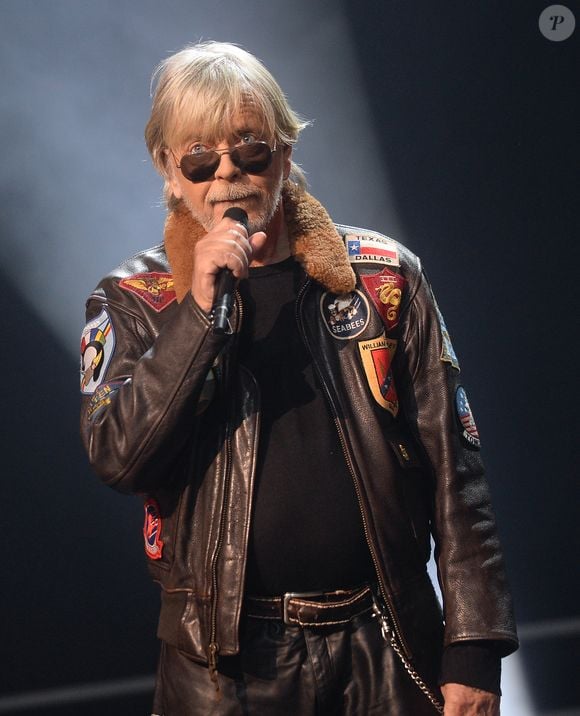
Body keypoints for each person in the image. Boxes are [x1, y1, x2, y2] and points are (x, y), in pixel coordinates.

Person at [80, 41, 518, 715]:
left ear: (284, 154)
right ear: (169, 170)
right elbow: (119, 454)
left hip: (387, 639)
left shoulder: (384, 277)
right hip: (224, 668)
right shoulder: (134, 300)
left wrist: (474, 649)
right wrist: (200, 314)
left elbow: (457, 472)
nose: (226, 175)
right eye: (200, 157)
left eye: (249, 149)